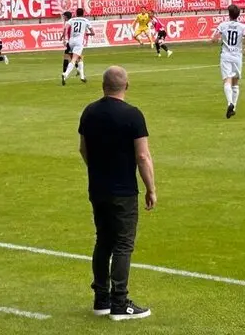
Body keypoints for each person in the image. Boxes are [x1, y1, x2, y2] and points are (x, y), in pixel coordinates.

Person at [78, 65, 155, 321]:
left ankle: (101, 299)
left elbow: (83, 149)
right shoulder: (133, 115)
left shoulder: (89, 112)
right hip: (123, 190)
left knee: (103, 241)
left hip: (98, 188)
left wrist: (97, 170)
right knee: (123, 244)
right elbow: (142, 156)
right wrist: (150, 188)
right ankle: (120, 303)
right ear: (127, 86)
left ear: (103, 85)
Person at [211, 4, 245, 119]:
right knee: (235, 83)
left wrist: (214, 40)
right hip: (237, 57)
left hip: (226, 56)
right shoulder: (242, 26)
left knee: (227, 81)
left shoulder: (223, 25)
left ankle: (230, 103)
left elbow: (214, 39)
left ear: (229, 14)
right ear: (238, 15)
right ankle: (233, 108)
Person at [63, 7, 93, 85]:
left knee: (79, 58)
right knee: (74, 59)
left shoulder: (71, 20)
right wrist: (87, 34)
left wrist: (64, 39)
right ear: (83, 13)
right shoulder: (86, 20)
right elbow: (93, 32)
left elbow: (65, 29)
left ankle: (82, 77)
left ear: (76, 13)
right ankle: (65, 74)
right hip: (79, 42)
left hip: (71, 41)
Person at [60, 10, 74, 76]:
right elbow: (65, 31)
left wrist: (64, 40)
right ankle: (79, 70)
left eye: (64, 16)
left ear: (66, 17)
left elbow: (65, 31)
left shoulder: (68, 23)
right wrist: (62, 37)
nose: (63, 18)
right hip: (76, 42)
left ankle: (64, 72)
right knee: (73, 57)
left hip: (71, 42)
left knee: (67, 56)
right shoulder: (74, 21)